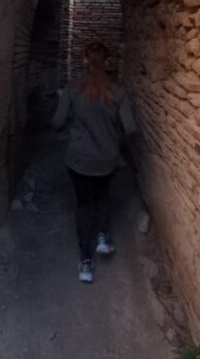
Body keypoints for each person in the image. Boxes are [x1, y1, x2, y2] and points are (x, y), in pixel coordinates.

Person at [51, 42, 137, 283]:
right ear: (107, 62)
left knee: (84, 205)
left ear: (84, 60)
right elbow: (131, 128)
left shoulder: (71, 90)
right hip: (107, 160)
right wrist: (114, 139)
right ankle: (102, 237)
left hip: (79, 160)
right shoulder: (118, 92)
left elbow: (57, 123)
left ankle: (86, 264)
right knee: (102, 194)